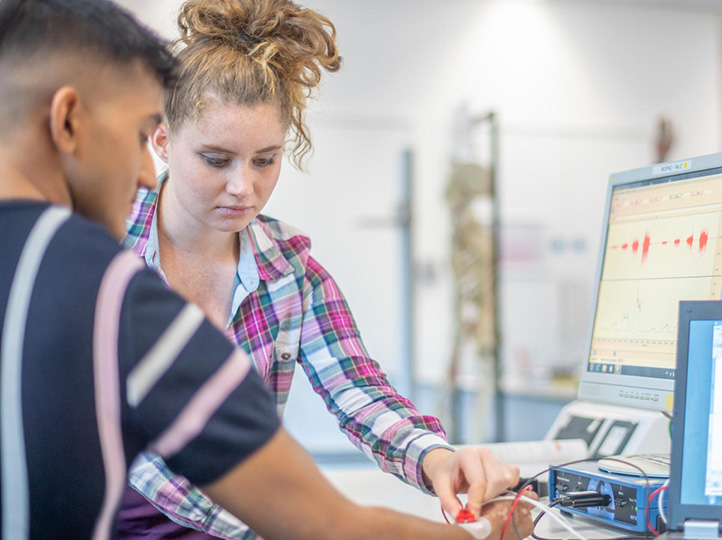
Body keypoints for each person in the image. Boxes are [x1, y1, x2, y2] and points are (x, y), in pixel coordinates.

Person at [0, 0, 533, 539]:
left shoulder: (289, 271)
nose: (243, 187)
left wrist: (436, 459)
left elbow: (358, 390)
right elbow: (313, 520)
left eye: (265, 159)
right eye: (215, 159)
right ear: (161, 140)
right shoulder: (100, 260)